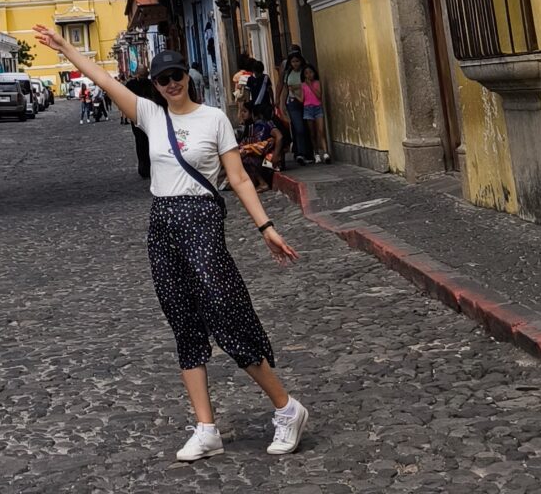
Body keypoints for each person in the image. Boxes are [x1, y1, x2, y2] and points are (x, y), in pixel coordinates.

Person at [33, 24, 308, 462]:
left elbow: (238, 178)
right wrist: (65, 47)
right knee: (183, 322)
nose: (172, 84)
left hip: (201, 221)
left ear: (187, 76)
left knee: (226, 315)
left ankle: (287, 408)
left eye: (177, 75)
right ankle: (206, 428)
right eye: (163, 79)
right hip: (162, 224)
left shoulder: (213, 119)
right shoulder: (149, 114)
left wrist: (266, 227)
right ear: (156, 86)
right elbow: (103, 78)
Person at [279, 51, 311, 166]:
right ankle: (300, 153)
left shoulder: (305, 72)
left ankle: (308, 153)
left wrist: (297, 87)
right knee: (299, 128)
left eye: (297, 61)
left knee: (307, 128)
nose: (295, 64)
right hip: (293, 103)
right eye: (293, 62)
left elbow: (309, 84)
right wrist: (282, 104)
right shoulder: (288, 73)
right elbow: (285, 89)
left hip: (307, 102)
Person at [301, 64, 328, 161]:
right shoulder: (302, 85)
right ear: (304, 75)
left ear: (314, 73)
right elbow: (302, 99)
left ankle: (325, 153)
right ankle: (316, 153)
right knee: (312, 133)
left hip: (318, 108)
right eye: (306, 73)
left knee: (321, 131)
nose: (309, 75)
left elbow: (319, 95)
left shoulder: (317, 83)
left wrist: (310, 85)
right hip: (308, 109)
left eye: (311, 72)